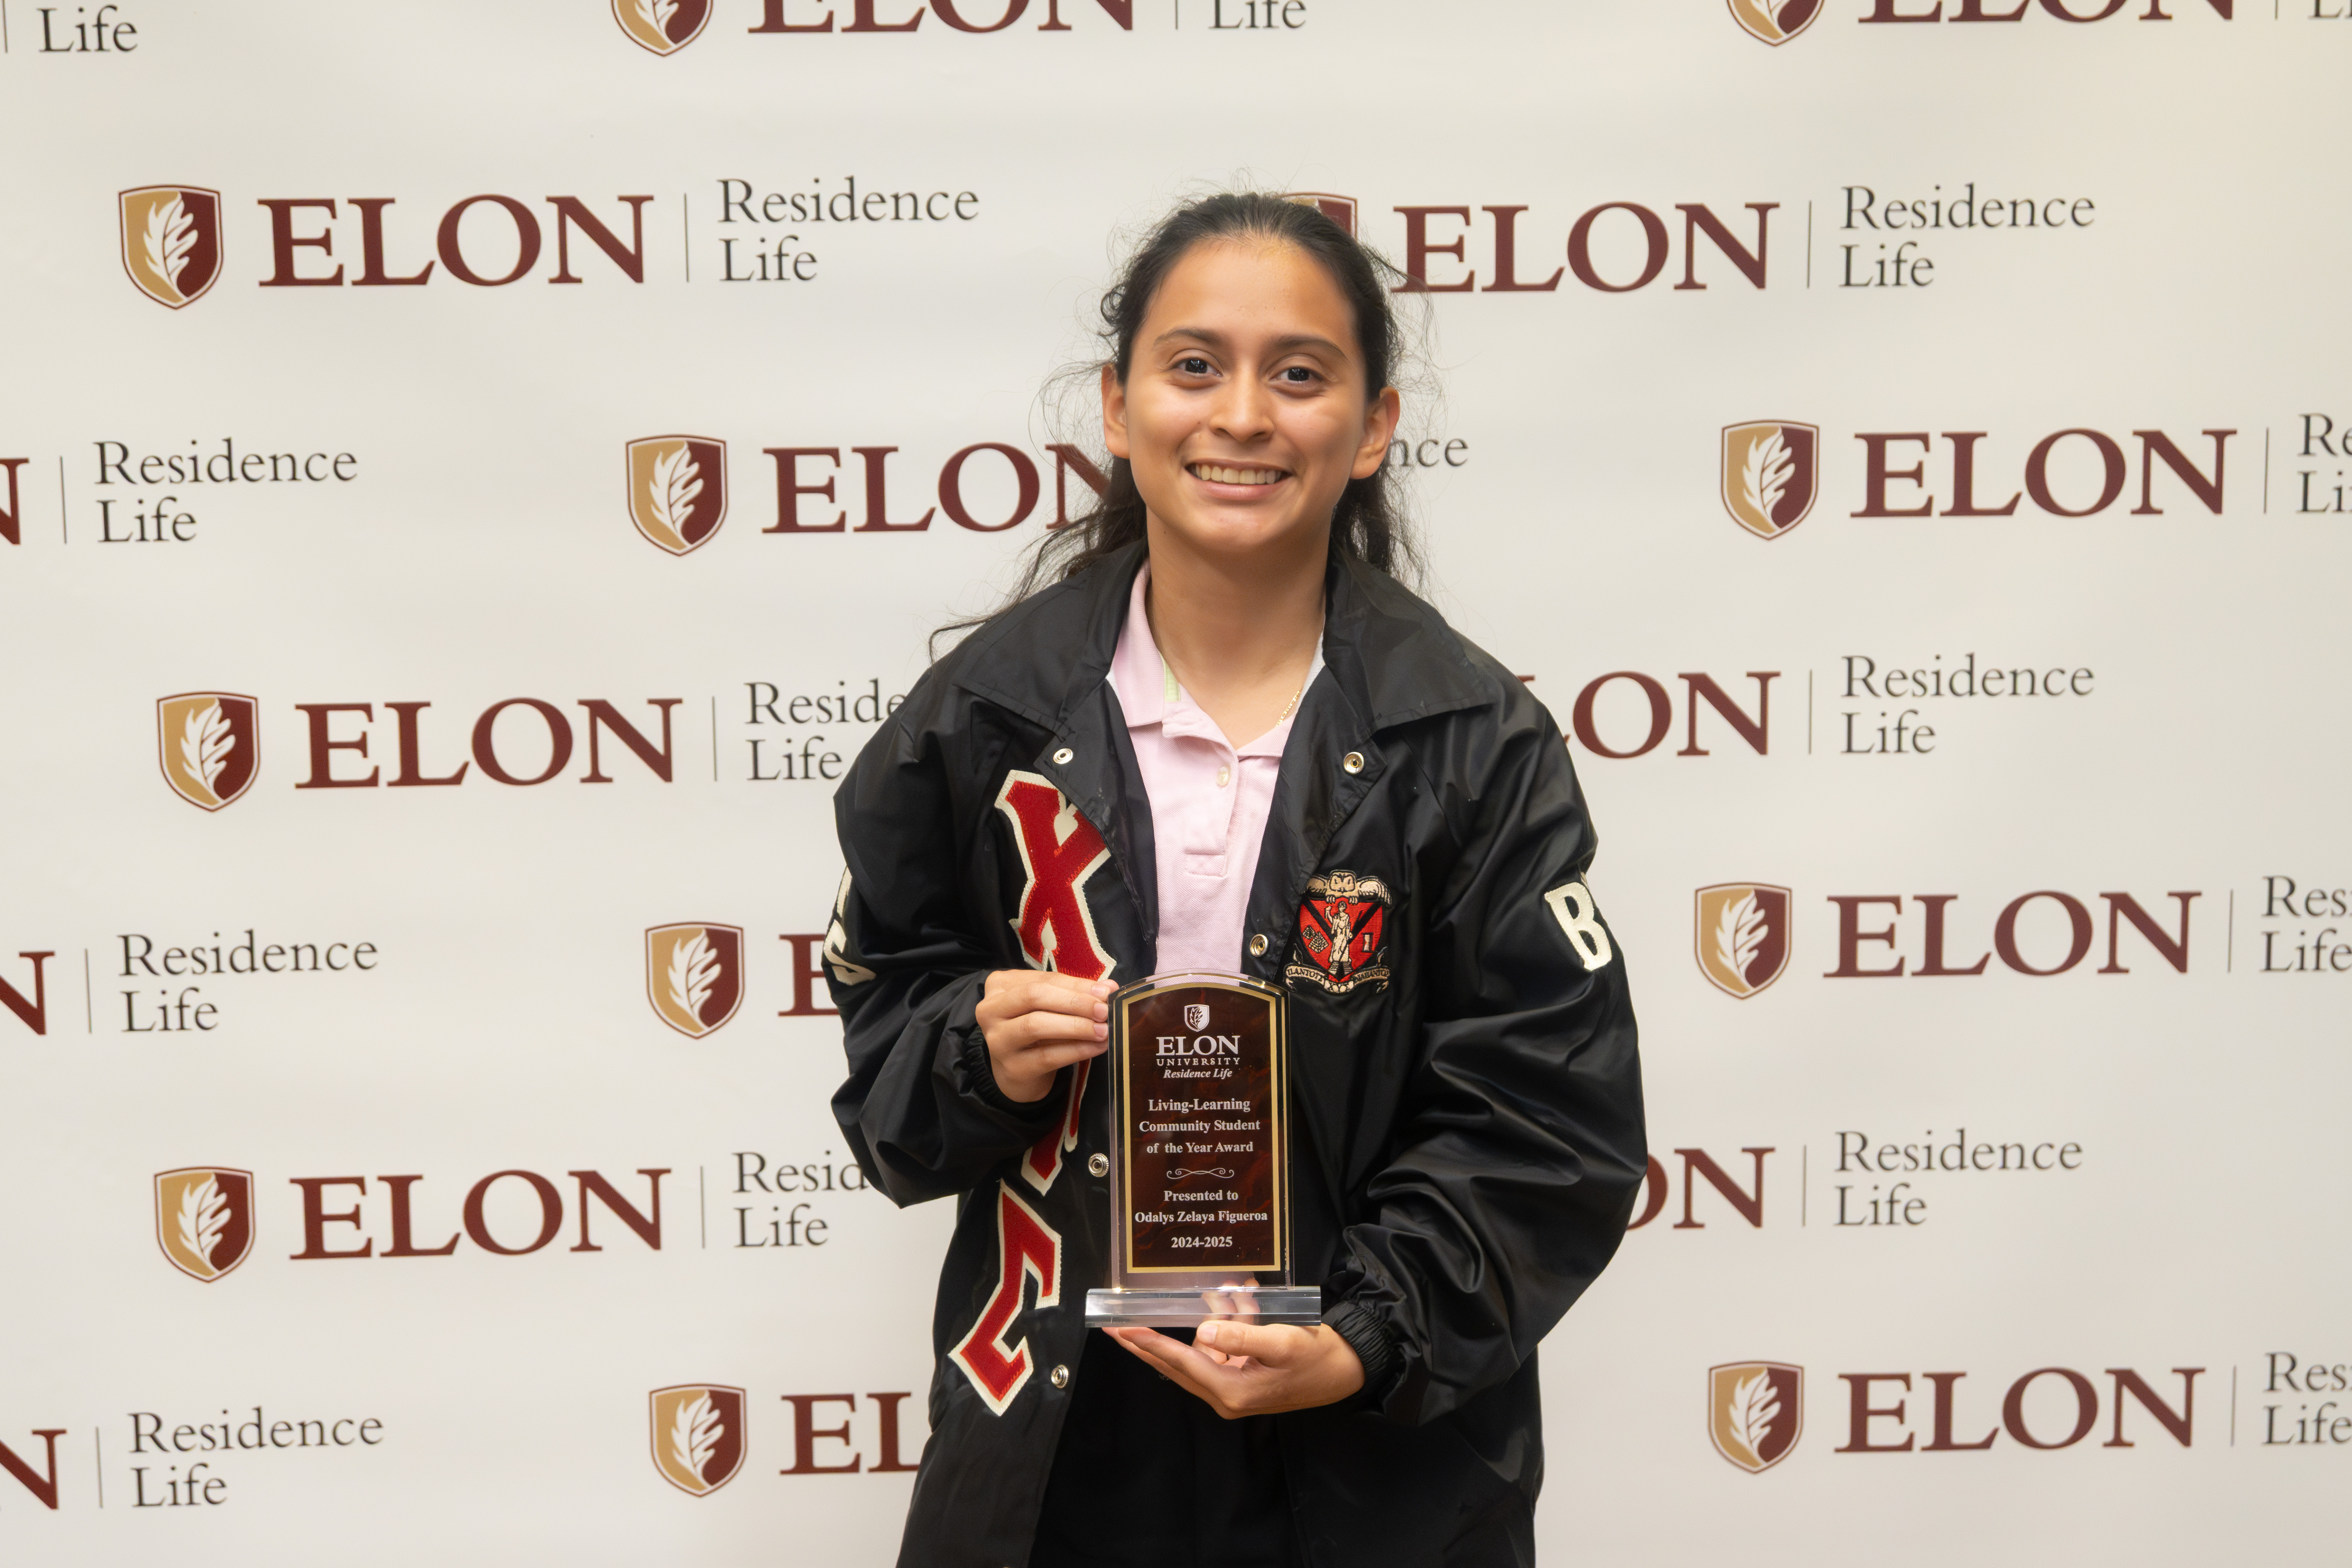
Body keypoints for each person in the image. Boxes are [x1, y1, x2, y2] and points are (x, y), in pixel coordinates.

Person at [827, 191, 1644, 1568]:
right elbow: (888, 1061)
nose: (1244, 415)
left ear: (1375, 425)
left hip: (1370, 1452)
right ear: (1118, 403)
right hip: (1056, 1435)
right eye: (1195, 365)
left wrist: (1361, 1334)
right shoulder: (982, 719)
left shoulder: (1468, 741)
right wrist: (976, 1048)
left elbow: (1548, 1121)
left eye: (1301, 373)